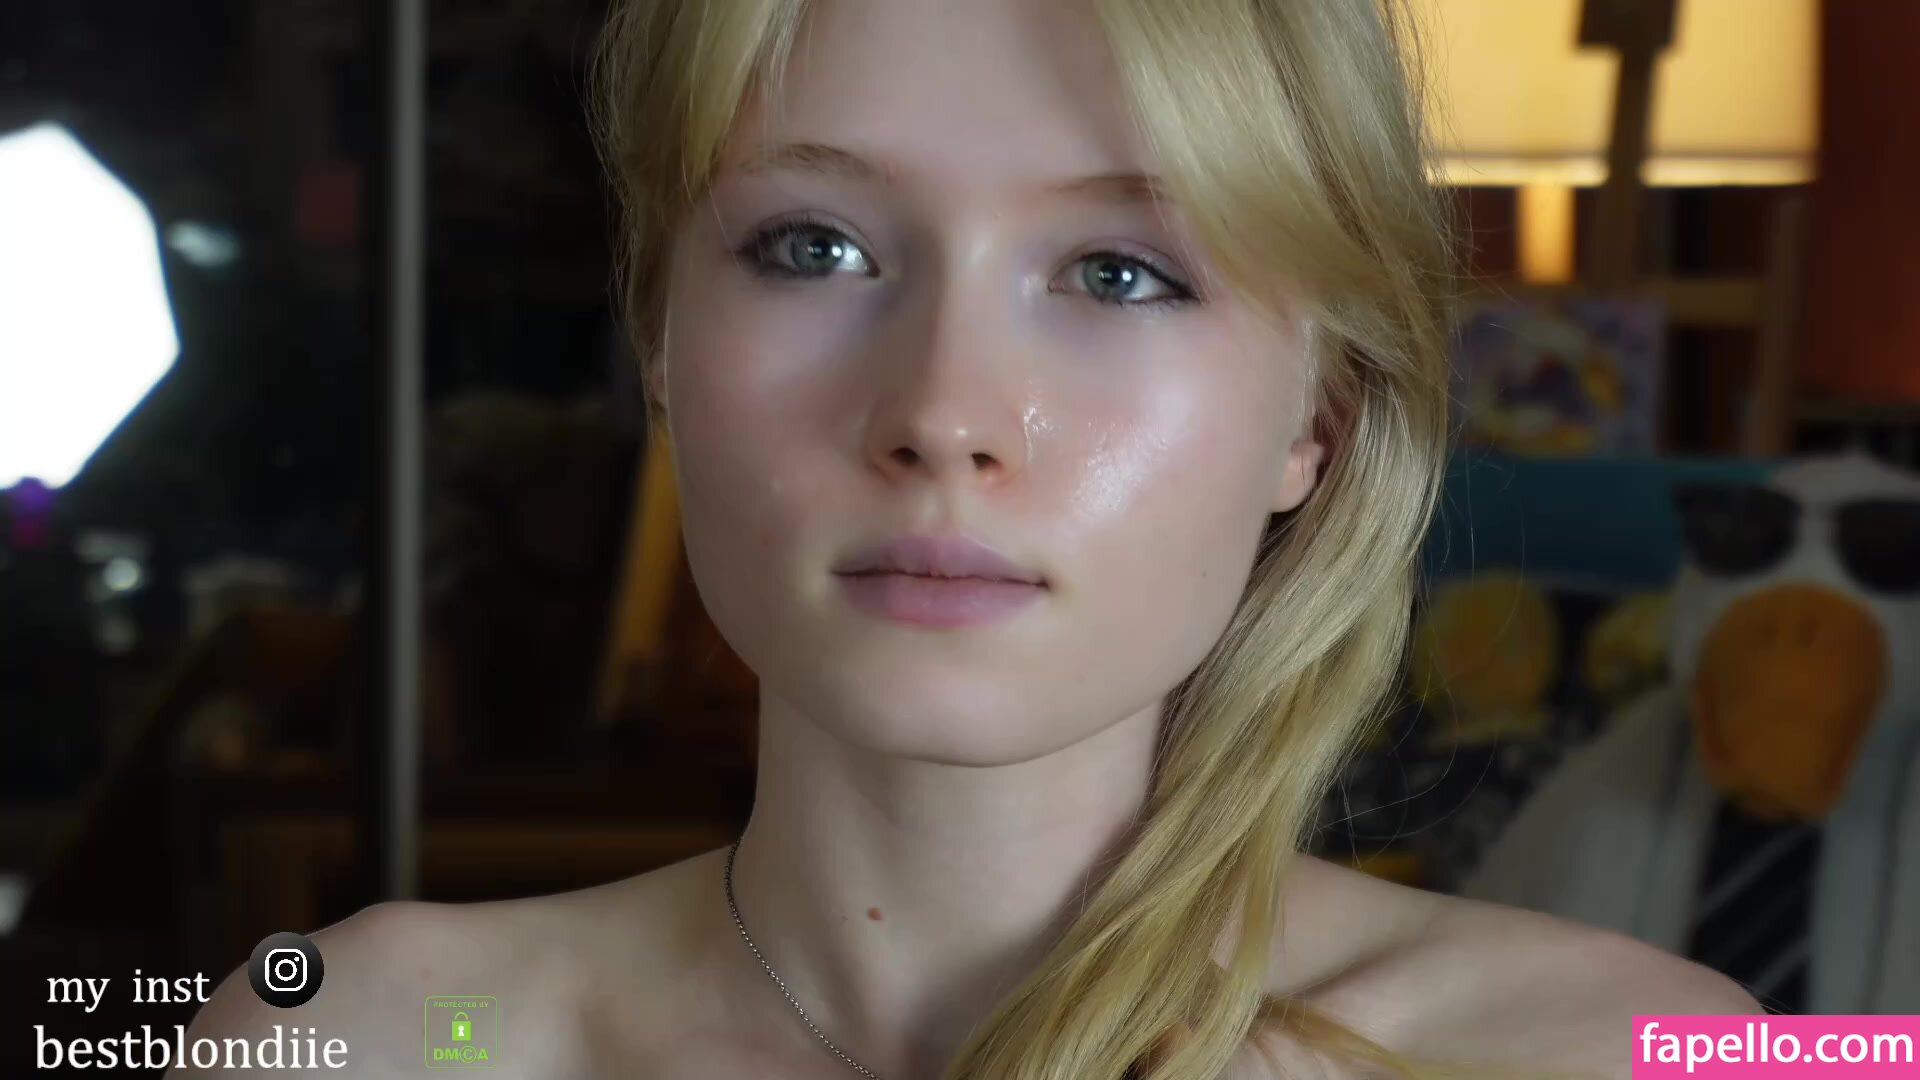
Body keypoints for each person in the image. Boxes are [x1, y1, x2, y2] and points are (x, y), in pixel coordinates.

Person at [176, 0, 1760, 1076]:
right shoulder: (341, 1037)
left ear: (1318, 417)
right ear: (661, 344)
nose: (942, 413)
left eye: (1121, 273)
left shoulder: (1667, 1053)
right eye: (815, 246)